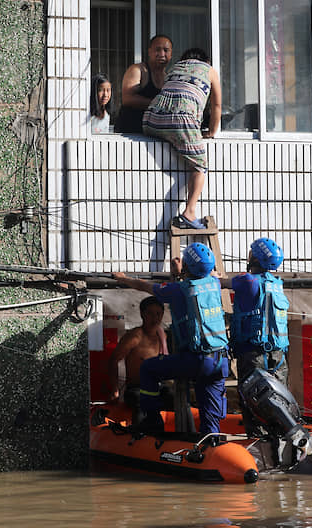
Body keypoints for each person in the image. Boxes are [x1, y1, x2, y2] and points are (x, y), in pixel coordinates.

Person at [111, 242, 229, 436]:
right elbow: (195, 283)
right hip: (219, 360)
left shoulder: (178, 290)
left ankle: (153, 423)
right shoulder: (214, 283)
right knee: (209, 405)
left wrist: (124, 279)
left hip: (196, 360)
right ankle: (211, 440)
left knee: (148, 368)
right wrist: (181, 273)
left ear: (188, 266)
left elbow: (145, 286)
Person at [143, 48, 222, 230]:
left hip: (151, 119)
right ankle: (189, 212)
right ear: (207, 61)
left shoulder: (175, 69)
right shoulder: (209, 70)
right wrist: (210, 132)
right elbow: (216, 105)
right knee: (200, 165)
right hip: (181, 120)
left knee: (177, 137)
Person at [218, 238, 290, 436]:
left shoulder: (247, 280)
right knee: (278, 402)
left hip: (253, 355)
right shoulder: (277, 284)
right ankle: (280, 444)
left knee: (253, 402)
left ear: (254, 257)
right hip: (279, 356)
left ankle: (259, 447)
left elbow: (219, 282)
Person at [106, 297, 168, 423]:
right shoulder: (135, 336)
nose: (155, 318)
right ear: (142, 314)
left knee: (177, 398)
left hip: (158, 387)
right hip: (136, 389)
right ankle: (139, 438)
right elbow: (114, 360)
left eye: (158, 314)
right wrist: (115, 389)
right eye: (150, 313)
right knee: (141, 403)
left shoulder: (162, 335)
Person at [114, 35, 173, 134]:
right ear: (149, 52)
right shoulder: (138, 70)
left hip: (152, 136)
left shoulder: (169, 79)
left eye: (166, 50)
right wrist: (160, 105)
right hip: (128, 134)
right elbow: (127, 99)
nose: (162, 54)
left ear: (171, 54)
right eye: (157, 49)